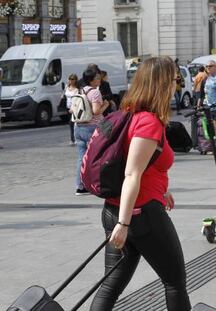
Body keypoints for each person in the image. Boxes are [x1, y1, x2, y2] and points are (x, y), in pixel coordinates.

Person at [90, 56, 191, 311]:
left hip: (116, 210)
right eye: (174, 80)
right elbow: (132, 173)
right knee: (175, 282)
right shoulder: (148, 122)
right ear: (162, 83)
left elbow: (144, 164)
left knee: (110, 285)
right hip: (139, 215)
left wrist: (161, 190)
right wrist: (124, 224)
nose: (175, 85)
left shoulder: (128, 115)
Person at [74, 68, 109, 195]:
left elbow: (72, 109)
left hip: (78, 127)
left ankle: (80, 186)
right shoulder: (94, 92)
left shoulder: (80, 90)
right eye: (97, 78)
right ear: (91, 80)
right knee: (96, 157)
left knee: (81, 157)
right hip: (92, 127)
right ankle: (96, 183)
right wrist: (105, 105)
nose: (100, 80)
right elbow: (96, 111)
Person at [64, 73, 79, 145]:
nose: (71, 80)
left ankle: (76, 138)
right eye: (70, 79)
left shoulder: (77, 89)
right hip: (68, 107)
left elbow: (77, 99)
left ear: (75, 80)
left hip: (74, 108)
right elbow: (64, 94)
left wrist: (73, 108)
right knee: (71, 124)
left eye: (72, 79)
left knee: (75, 123)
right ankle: (72, 139)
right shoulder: (67, 86)